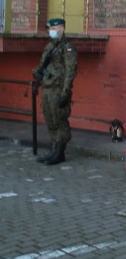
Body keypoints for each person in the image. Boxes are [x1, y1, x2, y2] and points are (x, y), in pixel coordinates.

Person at [32, 18, 78, 166]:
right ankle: (54, 149)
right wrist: (37, 75)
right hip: (47, 88)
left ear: (61, 29)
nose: (50, 31)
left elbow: (70, 72)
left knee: (59, 120)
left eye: (53, 28)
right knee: (49, 119)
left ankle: (59, 152)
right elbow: (41, 66)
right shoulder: (49, 47)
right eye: (49, 29)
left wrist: (65, 92)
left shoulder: (68, 48)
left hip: (58, 89)